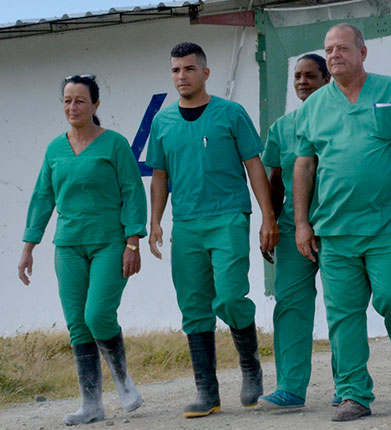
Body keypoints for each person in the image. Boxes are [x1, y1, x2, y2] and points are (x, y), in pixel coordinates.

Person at [293, 23, 391, 422]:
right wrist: (302, 223)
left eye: (342, 48)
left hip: (389, 225)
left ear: (362, 52)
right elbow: (304, 165)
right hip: (334, 231)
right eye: (328, 49)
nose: (334, 54)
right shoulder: (314, 106)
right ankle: (354, 393)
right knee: (343, 315)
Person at [146, 42, 279, 418]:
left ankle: (250, 367)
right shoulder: (163, 121)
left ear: (205, 73)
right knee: (193, 305)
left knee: (231, 296)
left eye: (189, 69)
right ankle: (207, 392)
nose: (181, 76)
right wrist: (155, 221)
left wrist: (267, 216)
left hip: (228, 217)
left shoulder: (230, 114)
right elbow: (159, 175)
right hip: (186, 223)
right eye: (175, 70)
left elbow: (254, 166)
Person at [18, 74, 147, 425]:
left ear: (96, 105)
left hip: (110, 242)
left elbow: (133, 192)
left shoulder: (114, 145)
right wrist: (29, 247)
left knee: (97, 315)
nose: (72, 107)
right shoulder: (54, 149)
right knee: (77, 324)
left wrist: (133, 241)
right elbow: (43, 198)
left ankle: (122, 380)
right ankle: (91, 403)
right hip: (69, 245)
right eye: (67, 100)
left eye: (79, 100)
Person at [258, 54, 332, 409]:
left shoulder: (338, 119)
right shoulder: (282, 128)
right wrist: (269, 222)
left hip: (336, 225)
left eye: (311, 76)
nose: (302, 82)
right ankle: (290, 388)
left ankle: (348, 385)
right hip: (291, 229)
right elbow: (275, 182)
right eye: (298, 76)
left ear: (327, 79)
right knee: (290, 305)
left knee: (341, 306)